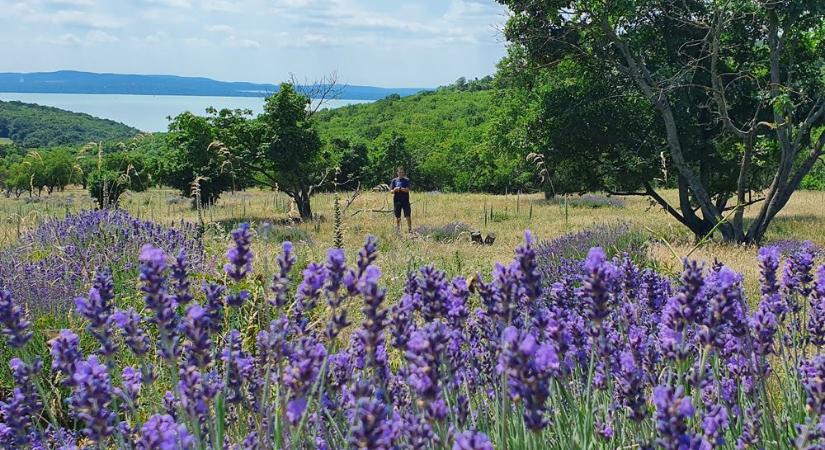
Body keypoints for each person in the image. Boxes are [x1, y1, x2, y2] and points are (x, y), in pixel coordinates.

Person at [390, 166, 412, 233]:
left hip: (405, 200)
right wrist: (394, 190)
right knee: (397, 216)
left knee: (407, 215)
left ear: (404, 173)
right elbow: (391, 191)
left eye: (402, 172)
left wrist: (400, 188)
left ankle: (410, 229)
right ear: (397, 173)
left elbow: (408, 190)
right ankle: (398, 229)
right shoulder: (394, 181)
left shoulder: (406, 180)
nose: (401, 173)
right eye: (399, 172)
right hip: (397, 200)